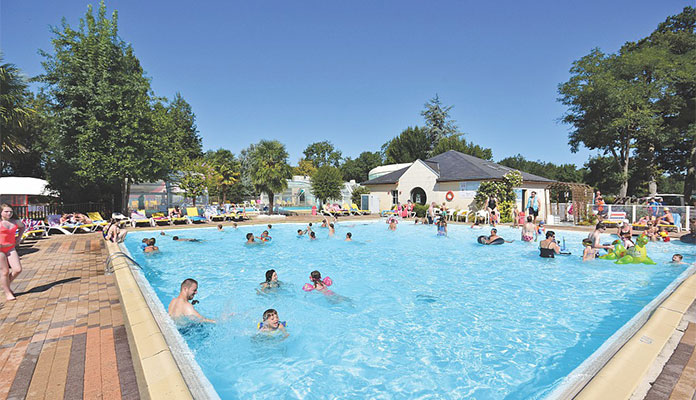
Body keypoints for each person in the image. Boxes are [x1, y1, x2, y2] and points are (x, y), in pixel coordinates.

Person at [0, 205, 24, 301]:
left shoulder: (15, 221)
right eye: (6, 211)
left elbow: (22, 227)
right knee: (5, 271)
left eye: (11, 211)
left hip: (11, 247)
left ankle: (5, 284)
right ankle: (7, 292)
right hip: (0, 249)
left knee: (17, 269)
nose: (9, 213)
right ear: (1, 212)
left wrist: (18, 238)